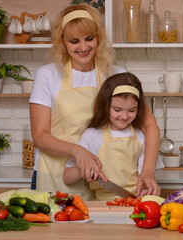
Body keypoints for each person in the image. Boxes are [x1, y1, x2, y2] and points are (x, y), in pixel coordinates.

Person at [29, 3, 161, 200]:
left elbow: (150, 125)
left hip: (102, 181)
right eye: (74, 41)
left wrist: (147, 171)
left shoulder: (116, 74)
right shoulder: (47, 75)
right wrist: (78, 151)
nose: (83, 47)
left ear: (99, 38)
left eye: (89, 39)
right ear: (63, 42)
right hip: (56, 175)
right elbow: (39, 135)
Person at [63, 72, 164, 200]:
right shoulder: (92, 136)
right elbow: (67, 177)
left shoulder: (141, 137)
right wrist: (83, 169)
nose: (124, 116)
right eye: (117, 110)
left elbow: (146, 176)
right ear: (106, 106)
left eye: (132, 110)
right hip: (103, 205)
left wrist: (146, 189)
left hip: (136, 202)